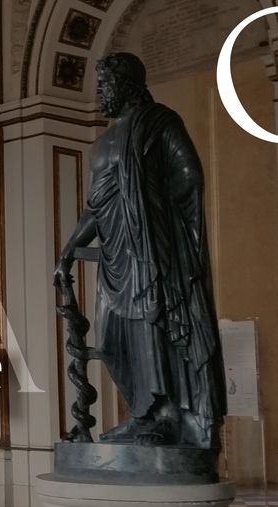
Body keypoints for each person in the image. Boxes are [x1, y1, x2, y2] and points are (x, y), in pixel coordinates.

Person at [54, 52, 225, 449]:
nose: (100, 92)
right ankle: (141, 415)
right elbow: (94, 208)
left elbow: (189, 177)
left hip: (153, 252)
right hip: (116, 257)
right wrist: (69, 250)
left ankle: (168, 418)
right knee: (113, 342)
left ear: (128, 85)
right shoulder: (101, 144)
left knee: (155, 331)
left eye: (106, 84)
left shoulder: (160, 123)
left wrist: (154, 217)